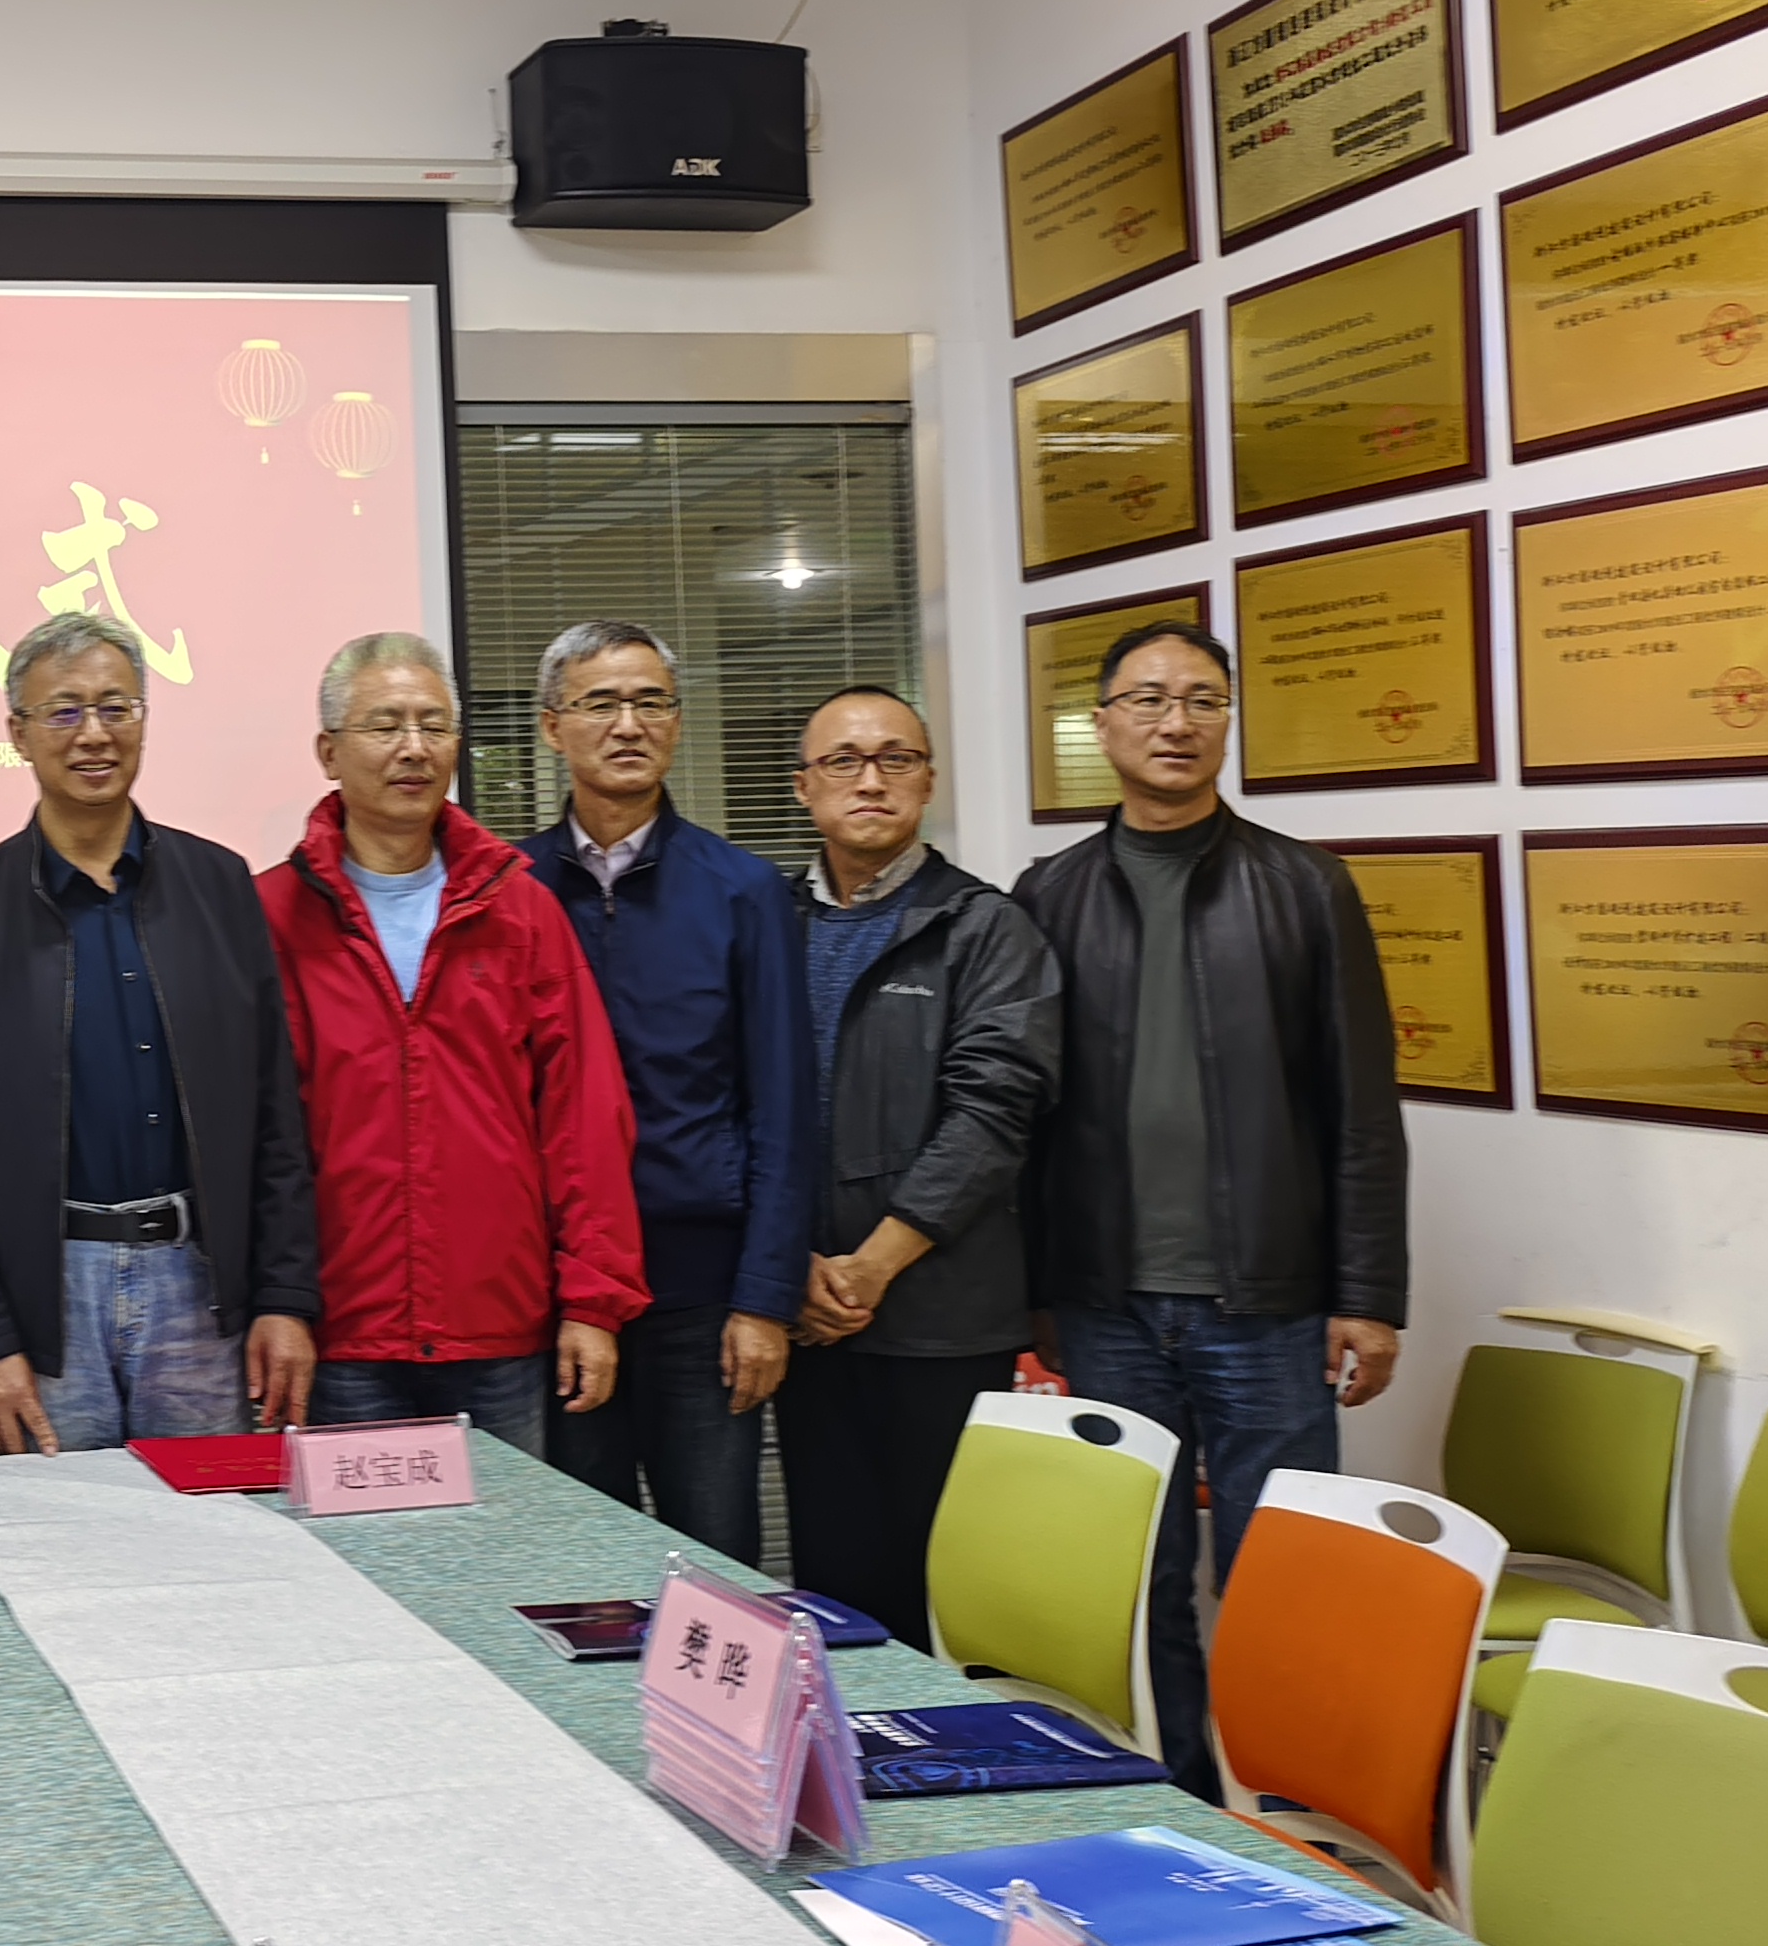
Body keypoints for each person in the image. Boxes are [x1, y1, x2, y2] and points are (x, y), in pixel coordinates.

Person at [1013, 620, 1408, 1799]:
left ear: (1229, 722)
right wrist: (1032, 1299)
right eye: (1146, 699)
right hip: (1106, 1306)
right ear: (1101, 726)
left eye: (1201, 699)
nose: (1174, 722)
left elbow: (1360, 1102)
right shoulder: (1049, 895)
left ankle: (1293, 1818)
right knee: (1136, 1582)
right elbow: (1025, 1117)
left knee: (1281, 1583)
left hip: (1269, 1307)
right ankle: (1182, 1804)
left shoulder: (1302, 886)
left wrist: (1368, 1294)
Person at [0, 612, 322, 1452]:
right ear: (18, 733)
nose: (93, 733)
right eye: (63, 711)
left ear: (143, 720)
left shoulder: (220, 886)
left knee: (216, 1523)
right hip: (46, 1300)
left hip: (201, 1290)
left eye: (114, 707)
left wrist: (285, 1297)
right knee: (70, 1530)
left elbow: (273, 1111)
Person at [252, 634, 644, 1459]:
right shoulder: (271, 915)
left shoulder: (520, 909)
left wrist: (593, 1301)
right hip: (338, 1332)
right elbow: (251, 1140)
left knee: (508, 1546)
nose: (414, 748)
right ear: (329, 751)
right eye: (385, 725)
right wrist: (273, 1301)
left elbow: (582, 1119)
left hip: (498, 1326)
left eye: (434, 726)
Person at [767, 688, 1060, 1650]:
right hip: (808, 1320)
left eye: (896, 759)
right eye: (844, 761)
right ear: (804, 786)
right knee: (834, 1592)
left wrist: (870, 1267)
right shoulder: (768, 924)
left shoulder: (984, 927)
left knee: (946, 1596)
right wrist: (789, 1268)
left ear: (928, 782)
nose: (870, 781)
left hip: (942, 1322)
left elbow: (993, 1117)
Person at [515, 620, 810, 1563]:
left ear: (678, 724)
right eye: (601, 703)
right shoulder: (510, 890)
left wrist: (764, 1300)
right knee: (578, 1566)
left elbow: (784, 1109)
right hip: (555, 1295)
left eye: (652, 703)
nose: (629, 724)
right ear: (553, 726)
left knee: (716, 1565)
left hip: (702, 1297)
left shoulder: (742, 891)